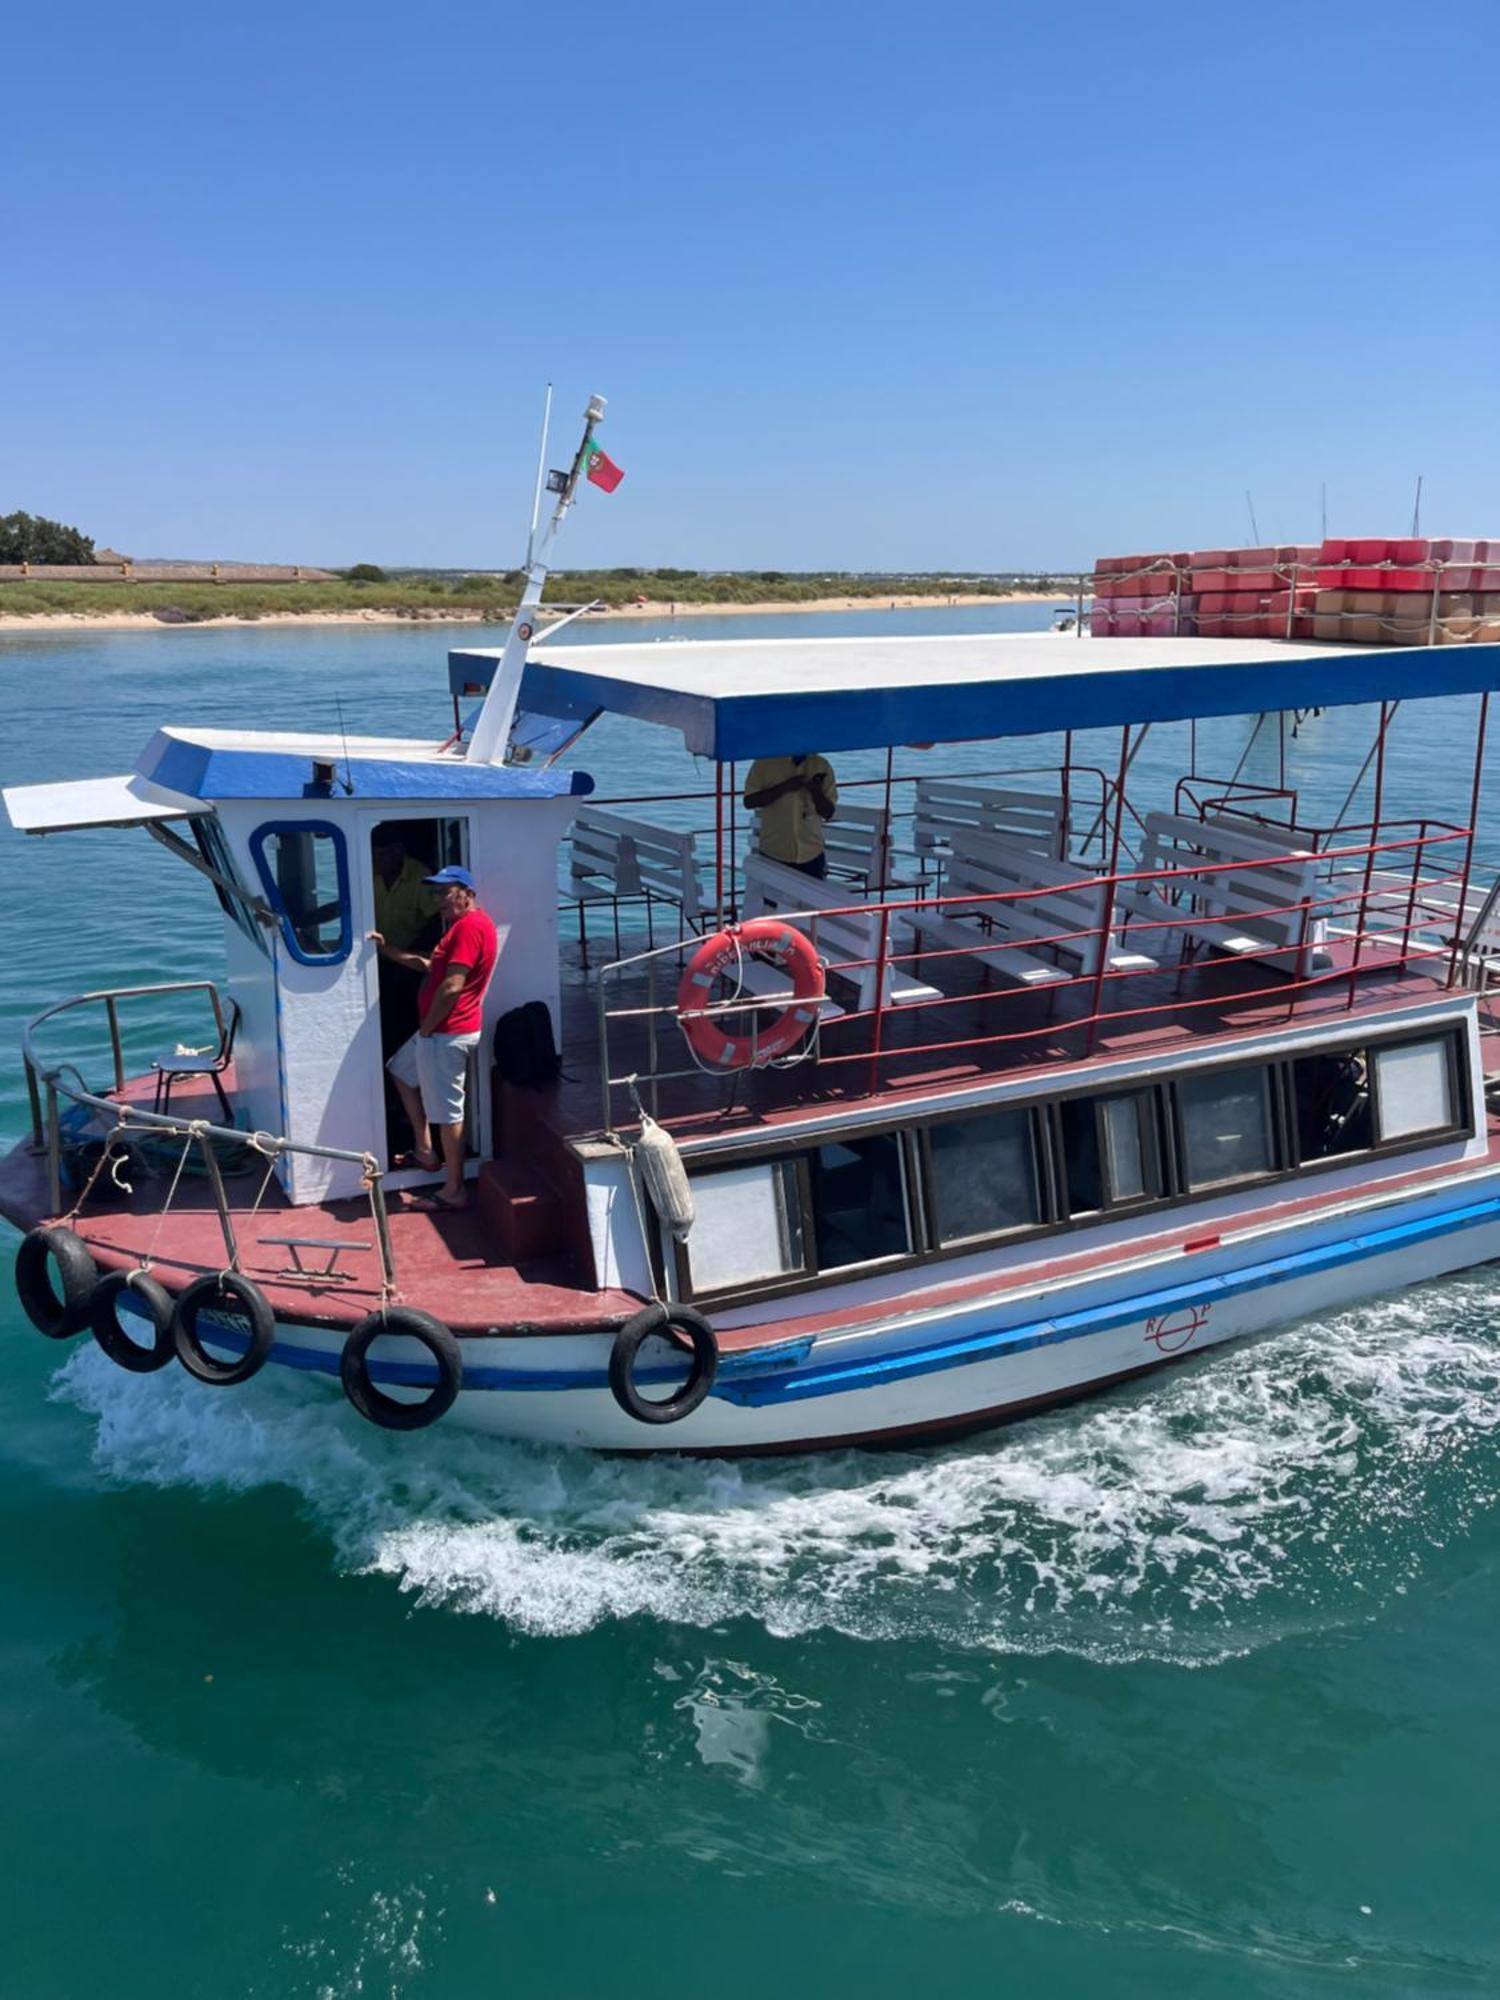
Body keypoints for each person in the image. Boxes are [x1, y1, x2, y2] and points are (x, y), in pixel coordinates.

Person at [369, 865, 498, 1211]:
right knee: (400, 1070)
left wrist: (427, 1028)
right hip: (439, 1032)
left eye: (446, 892)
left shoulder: (469, 928)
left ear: (467, 893)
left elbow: (453, 985)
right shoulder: (460, 927)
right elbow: (430, 966)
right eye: (436, 893)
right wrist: (388, 950)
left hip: (446, 1034)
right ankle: (425, 1150)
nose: (438, 900)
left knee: (448, 1114)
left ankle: (454, 1190)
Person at [743, 752, 838, 878]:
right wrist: (784, 788)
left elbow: (828, 813)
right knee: (773, 897)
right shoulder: (764, 763)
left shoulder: (821, 765)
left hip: (812, 853)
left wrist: (816, 791)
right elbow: (749, 801)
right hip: (774, 853)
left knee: (811, 898)